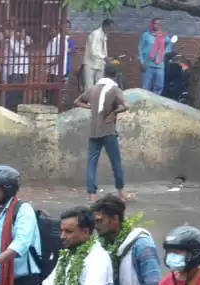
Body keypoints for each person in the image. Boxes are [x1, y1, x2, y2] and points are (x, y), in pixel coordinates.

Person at [92, 194, 162, 285]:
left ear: (115, 219)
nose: (95, 226)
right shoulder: (102, 245)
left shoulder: (141, 244)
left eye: (100, 221)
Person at [76, 65, 128, 201]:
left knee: (91, 163)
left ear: (104, 74)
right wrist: (114, 112)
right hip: (109, 131)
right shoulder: (115, 89)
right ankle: (121, 193)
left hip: (94, 131)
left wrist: (90, 107)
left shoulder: (93, 89)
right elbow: (125, 106)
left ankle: (92, 194)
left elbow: (77, 101)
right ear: (115, 76)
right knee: (115, 162)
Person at [45, 20, 76, 109]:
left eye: (52, 30)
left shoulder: (61, 41)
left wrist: (49, 64)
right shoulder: (52, 41)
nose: (50, 32)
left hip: (58, 70)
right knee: (51, 91)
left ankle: (57, 108)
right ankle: (52, 107)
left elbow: (59, 57)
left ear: (57, 30)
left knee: (57, 91)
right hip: (52, 70)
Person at [4, 27, 32, 110]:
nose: (23, 36)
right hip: (15, 71)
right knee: (13, 93)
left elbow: (30, 47)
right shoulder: (11, 41)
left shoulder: (24, 41)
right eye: (21, 33)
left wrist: (27, 46)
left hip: (23, 70)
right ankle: (10, 110)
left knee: (20, 92)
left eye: (24, 34)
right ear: (17, 33)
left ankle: (18, 109)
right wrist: (27, 47)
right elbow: (19, 53)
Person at [138, 18, 166, 95]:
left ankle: (155, 103)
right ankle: (144, 102)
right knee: (145, 86)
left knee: (159, 86)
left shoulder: (163, 36)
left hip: (159, 65)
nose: (157, 25)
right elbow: (140, 48)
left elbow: (168, 48)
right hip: (148, 65)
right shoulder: (146, 35)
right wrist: (141, 62)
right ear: (152, 24)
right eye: (155, 23)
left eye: (159, 24)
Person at [84, 19, 110, 91]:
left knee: (99, 87)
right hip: (90, 64)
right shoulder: (95, 34)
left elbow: (103, 50)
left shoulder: (104, 35)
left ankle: (96, 102)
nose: (110, 30)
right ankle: (89, 102)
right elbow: (93, 51)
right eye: (110, 28)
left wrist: (106, 59)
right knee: (89, 87)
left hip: (100, 64)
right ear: (105, 26)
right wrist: (104, 57)